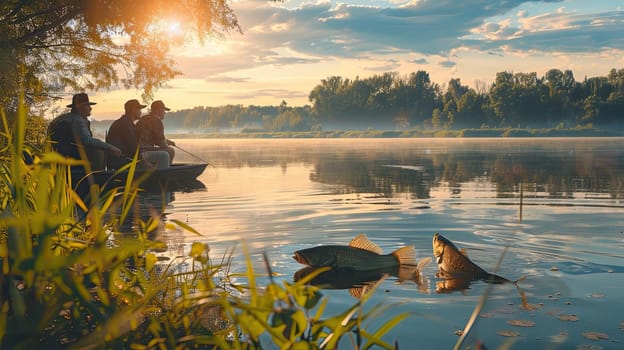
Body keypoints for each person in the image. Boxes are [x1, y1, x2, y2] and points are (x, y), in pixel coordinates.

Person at [48, 93, 122, 170]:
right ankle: (98, 175)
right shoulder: (77, 120)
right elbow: (87, 141)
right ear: (79, 107)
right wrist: (110, 148)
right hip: (72, 162)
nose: (90, 108)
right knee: (99, 150)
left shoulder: (60, 119)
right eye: (87, 106)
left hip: (55, 160)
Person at [105, 99, 147, 169]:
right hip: (122, 161)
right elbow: (133, 148)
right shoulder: (125, 124)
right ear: (133, 109)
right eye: (139, 109)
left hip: (125, 158)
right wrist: (145, 162)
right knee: (163, 155)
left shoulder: (126, 123)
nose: (141, 112)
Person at [136, 100, 176, 167]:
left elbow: (153, 138)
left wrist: (167, 141)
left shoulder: (143, 119)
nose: (165, 113)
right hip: (144, 152)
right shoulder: (156, 121)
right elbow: (162, 144)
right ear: (158, 110)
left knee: (166, 150)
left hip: (137, 151)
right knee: (170, 151)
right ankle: (164, 172)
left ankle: (157, 168)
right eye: (164, 110)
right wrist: (166, 143)